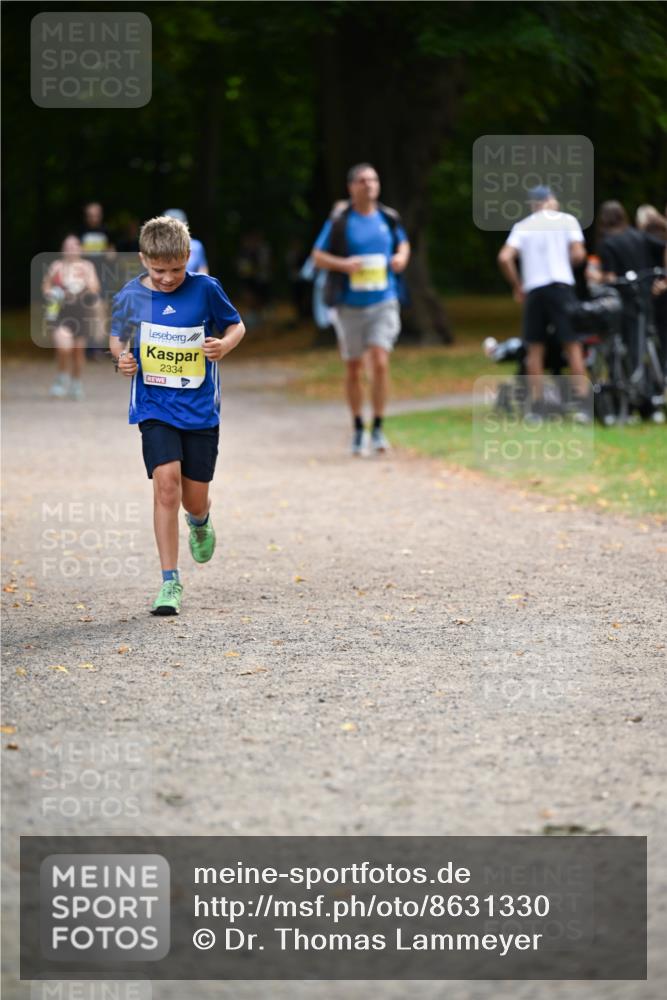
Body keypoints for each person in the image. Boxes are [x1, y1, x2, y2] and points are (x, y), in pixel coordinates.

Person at [109, 215, 245, 616]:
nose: (168, 278)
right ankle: (170, 581)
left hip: (200, 410)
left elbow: (236, 326)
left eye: (175, 269)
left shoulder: (206, 289)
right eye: (158, 270)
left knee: (193, 498)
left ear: (188, 256)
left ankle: (200, 522)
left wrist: (225, 344)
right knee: (166, 486)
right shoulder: (131, 295)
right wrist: (123, 359)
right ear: (143, 260)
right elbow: (117, 338)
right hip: (154, 406)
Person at [312, 163, 410, 455]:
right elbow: (317, 256)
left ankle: (378, 428)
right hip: (349, 305)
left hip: (384, 300)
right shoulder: (340, 221)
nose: (369, 184)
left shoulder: (388, 218)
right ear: (352, 187)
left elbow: (403, 246)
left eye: (373, 179)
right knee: (354, 367)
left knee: (380, 360)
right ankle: (357, 427)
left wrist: (400, 259)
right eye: (363, 180)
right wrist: (344, 265)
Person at [497, 185, 588, 418]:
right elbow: (579, 254)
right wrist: (563, 258)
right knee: (572, 345)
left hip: (535, 290)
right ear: (551, 201)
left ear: (532, 205)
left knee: (534, 349)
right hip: (561, 287)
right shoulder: (567, 221)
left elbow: (505, 257)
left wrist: (518, 286)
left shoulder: (523, 226)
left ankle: (536, 408)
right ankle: (582, 405)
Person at [42, 234, 101, 400]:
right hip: (61, 313)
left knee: (78, 352)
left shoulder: (87, 266)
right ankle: (61, 378)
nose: (71, 250)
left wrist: (84, 280)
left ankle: (76, 383)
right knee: (64, 347)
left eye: (74, 246)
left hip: (81, 314)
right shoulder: (57, 266)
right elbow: (46, 286)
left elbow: (95, 289)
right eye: (67, 247)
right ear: (62, 250)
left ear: (80, 249)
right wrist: (52, 293)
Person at [163, 209, 209, 273]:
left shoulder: (196, 246)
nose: (173, 229)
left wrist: (202, 282)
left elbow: (203, 269)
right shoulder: (158, 246)